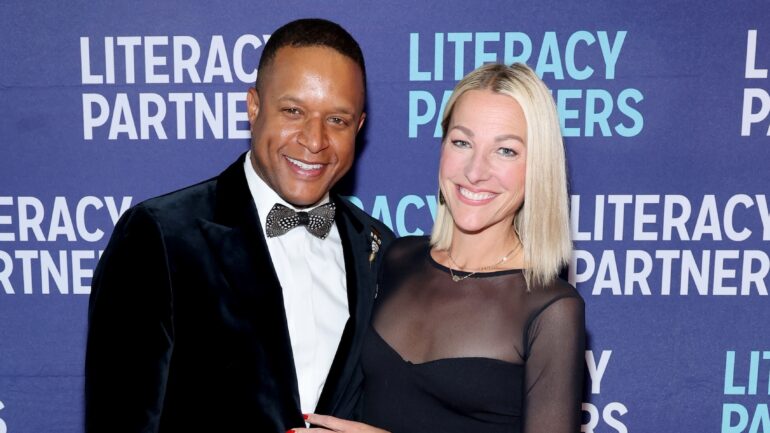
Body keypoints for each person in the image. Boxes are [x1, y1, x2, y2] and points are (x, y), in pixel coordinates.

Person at [84, 18, 394, 433]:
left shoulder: (375, 247)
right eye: (293, 111)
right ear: (254, 106)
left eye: (337, 120)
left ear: (358, 126)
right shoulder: (160, 235)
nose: (314, 139)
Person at [291, 63, 584, 433]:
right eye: (462, 142)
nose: (475, 171)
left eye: (506, 151)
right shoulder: (397, 258)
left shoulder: (551, 308)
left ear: (537, 167)